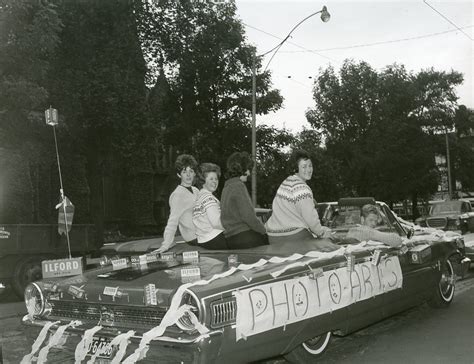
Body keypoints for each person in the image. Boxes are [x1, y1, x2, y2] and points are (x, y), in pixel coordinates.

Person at [265, 149, 338, 251]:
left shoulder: (285, 183)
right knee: (331, 246)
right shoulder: (302, 189)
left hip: (273, 237)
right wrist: (322, 233)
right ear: (296, 168)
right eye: (304, 166)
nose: (308, 169)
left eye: (310, 166)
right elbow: (310, 218)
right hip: (293, 237)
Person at [221, 152, 269, 249]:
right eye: (248, 169)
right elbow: (248, 216)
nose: (249, 173)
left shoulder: (226, 187)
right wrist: (264, 231)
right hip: (245, 237)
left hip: (230, 239)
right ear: (241, 169)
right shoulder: (238, 186)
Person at [155, 154, 199, 253]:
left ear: (194, 173)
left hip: (203, 232)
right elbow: (172, 222)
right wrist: (165, 245)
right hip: (193, 237)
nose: (188, 175)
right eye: (184, 172)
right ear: (179, 175)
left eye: (191, 171)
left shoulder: (196, 190)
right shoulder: (178, 195)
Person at [192, 163, 228, 249]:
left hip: (203, 240)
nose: (215, 182)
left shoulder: (199, 197)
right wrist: (232, 226)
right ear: (203, 180)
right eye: (211, 179)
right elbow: (216, 223)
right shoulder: (208, 198)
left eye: (216, 179)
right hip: (215, 239)